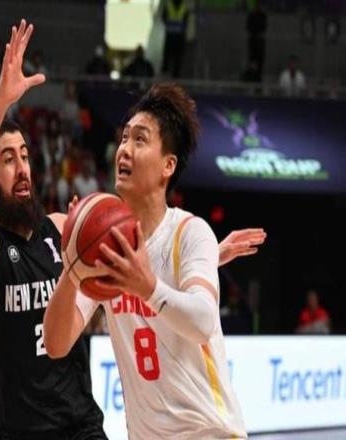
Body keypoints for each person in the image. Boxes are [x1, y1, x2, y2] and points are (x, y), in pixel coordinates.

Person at [44, 83, 266, 439]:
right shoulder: (106, 249)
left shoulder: (190, 232)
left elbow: (203, 321)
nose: (124, 149)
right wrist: (71, 268)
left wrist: (147, 287)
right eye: (124, 138)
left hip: (208, 433)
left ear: (168, 165)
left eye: (140, 140)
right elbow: (56, 344)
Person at [0, 20, 106, 440]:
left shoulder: (61, 228)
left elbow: (121, 261)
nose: (22, 168)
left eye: (24, 155)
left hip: (80, 426)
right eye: (7, 159)